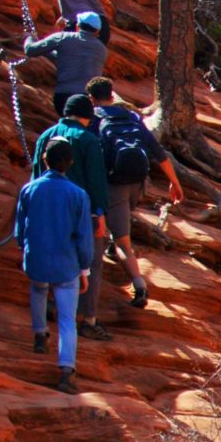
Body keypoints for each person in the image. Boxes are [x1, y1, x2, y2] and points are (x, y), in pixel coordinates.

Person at [86, 78, 183, 310]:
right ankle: (115, 243)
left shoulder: (94, 118)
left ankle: (139, 285)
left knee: (123, 242)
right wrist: (174, 182)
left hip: (113, 184)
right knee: (122, 222)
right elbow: (158, 153)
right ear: (112, 95)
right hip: (137, 183)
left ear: (92, 98)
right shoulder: (131, 117)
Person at [15, 138, 93, 395]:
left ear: (44, 160)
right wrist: (85, 269)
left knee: (38, 290)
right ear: (69, 164)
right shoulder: (78, 195)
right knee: (67, 318)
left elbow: (20, 228)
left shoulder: (29, 189)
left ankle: (39, 336)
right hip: (66, 263)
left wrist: (24, 248)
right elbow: (84, 236)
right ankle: (66, 371)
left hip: (37, 258)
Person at [30, 96, 111, 331]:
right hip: (80, 212)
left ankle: (47, 302)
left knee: (49, 251)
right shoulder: (88, 140)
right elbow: (96, 180)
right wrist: (100, 212)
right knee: (91, 262)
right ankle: (87, 318)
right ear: (86, 117)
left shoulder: (46, 135)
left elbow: (36, 172)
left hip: (47, 209)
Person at [23, 10, 108, 118]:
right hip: (89, 100)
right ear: (97, 31)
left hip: (63, 97)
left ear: (77, 26)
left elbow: (30, 50)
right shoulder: (102, 49)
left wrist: (29, 37)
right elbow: (70, 58)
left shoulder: (63, 37)